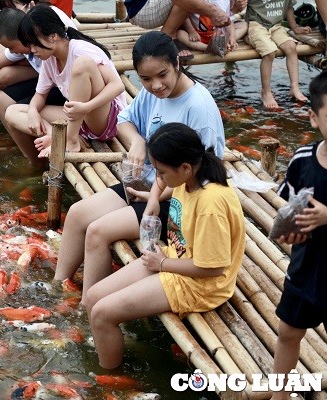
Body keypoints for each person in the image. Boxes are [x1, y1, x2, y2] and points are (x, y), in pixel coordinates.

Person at [52, 31, 225, 297]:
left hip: (179, 199)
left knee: (98, 231)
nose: (155, 85)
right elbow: (125, 120)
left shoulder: (198, 107)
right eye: (145, 79)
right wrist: (138, 141)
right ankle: (59, 289)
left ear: (177, 63)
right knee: (76, 214)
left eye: (162, 75)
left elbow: (202, 174)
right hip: (149, 180)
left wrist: (156, 195)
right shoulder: (152, 94)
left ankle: (88, 304)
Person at [83, 122, 245, 369]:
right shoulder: (189, 177)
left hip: (200, 284)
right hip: (174, 259)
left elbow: (213, 268)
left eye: (161, 172)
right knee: (93, 297)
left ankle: (110, 381)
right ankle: (113, 345)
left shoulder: (210, 205)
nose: (157, 178)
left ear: (185, 168)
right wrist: (154, 198)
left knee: (102, 314)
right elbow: (166, 184)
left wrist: (163, 264)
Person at [3, 4, 128, 163]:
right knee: (12, 112)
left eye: (35, 44)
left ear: (53, 36)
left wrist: (87, 107)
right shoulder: (50, 59)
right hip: (79, 119)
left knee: (82, 64)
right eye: (30, 45)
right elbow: (39, 96)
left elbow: (118, 86)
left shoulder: (80, 50)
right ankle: (55, 137)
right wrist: (33, 110)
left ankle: (70, 141)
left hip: (105, 118)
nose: (32, 50)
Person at [270, 71, 327, 400]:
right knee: (288, 332)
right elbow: (289, 207)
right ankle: (280, 395)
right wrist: (287, 232)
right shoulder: (302, 160)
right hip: (305, 267)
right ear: (314, 118)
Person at [0, 4, 76, 128]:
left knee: (7, 101)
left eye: (11, 47)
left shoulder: (47, 42)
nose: (12, 51)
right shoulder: (29, 41)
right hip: (51, 82)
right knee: (1, 97)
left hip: (67, 91)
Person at [122, 0, 247, 60]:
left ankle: (172, 34)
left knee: (242, 24)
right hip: (144, 9)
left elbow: (228, 14)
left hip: (146, 10)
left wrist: (234, 7)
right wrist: (213, 12)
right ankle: (168, 36)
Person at [244, 0, 311, 109]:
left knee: (291, 46)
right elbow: (236, 6)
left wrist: (294, 27)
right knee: (270, 52)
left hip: (276, 26)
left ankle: (294, 88)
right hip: (256, 26)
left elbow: (289, 8)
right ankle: (266, 92)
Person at [176, 0, 248, 55]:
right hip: (199, 36)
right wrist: (192, 31)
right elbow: (184, 17)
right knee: (180, 33)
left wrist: (232, 38)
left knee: (244, 25)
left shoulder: (224, 2)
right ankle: (206, 48)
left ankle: (227, 43)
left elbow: (229, 21)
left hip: (219, 36)